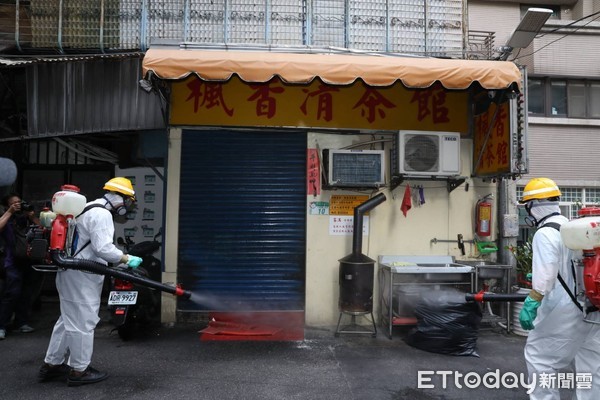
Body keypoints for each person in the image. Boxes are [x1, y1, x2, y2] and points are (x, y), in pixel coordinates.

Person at [38, 177, 143, 386]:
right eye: (129, 202)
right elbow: (103, 248)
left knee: (67, 320)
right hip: (82, 275)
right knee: (84, 322)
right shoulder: (102, 214)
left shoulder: (86, 207)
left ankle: (52, 364)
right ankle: (80, 370)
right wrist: (125, 258)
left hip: (70, 271)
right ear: (120, 199)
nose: (127, 208)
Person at [519, 177, 600, 399]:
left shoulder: (545, 232)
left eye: (528, 206)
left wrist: (532, 301)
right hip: (592, 309)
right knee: (591, 366)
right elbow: (573, 267)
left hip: (566, 310)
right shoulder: (574, 228)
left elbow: (545, 276)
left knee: (540, 358)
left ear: (534, 206)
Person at [0, 193, 41, 340]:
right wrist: (9, 212)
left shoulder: (26, 219)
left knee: (26, 294)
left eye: (19, 202)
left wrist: (31, 216)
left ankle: (21, 323)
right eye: (14, 203)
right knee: (11, 294)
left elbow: (42, 229)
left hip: (29, 262)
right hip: (12, 262)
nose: (18, 205)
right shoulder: (8, 218)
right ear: (7, 206)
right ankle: (2, 325)